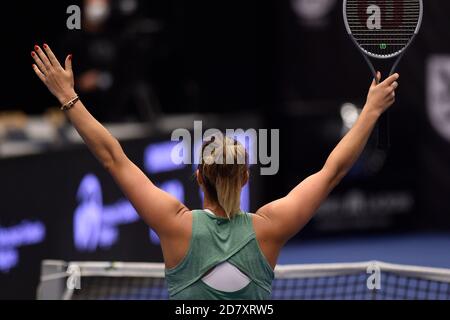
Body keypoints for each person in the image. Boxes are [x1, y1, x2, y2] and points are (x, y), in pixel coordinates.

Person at [31, 44, 399, 300]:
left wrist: (68, 97)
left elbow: (113, 157)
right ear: (245, 179)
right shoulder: (269, 228)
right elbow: (332, 171)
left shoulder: (175, 225)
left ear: (198, 177)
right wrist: (370, 111)